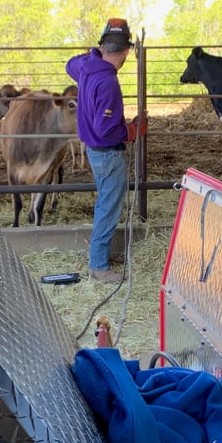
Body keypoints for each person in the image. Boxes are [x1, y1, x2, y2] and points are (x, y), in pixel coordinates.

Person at [66, 18, 145, 283]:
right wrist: (133, 131)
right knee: (109, 207)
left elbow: (69, 64)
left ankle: (101, 255)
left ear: (102, 46)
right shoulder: (109, 82)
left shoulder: (86, 67)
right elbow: (106, 129)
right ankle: (99, 265)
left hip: (93, 151)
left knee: (105, 203)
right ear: (126, 51)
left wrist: (92, 54)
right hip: (108, 152)